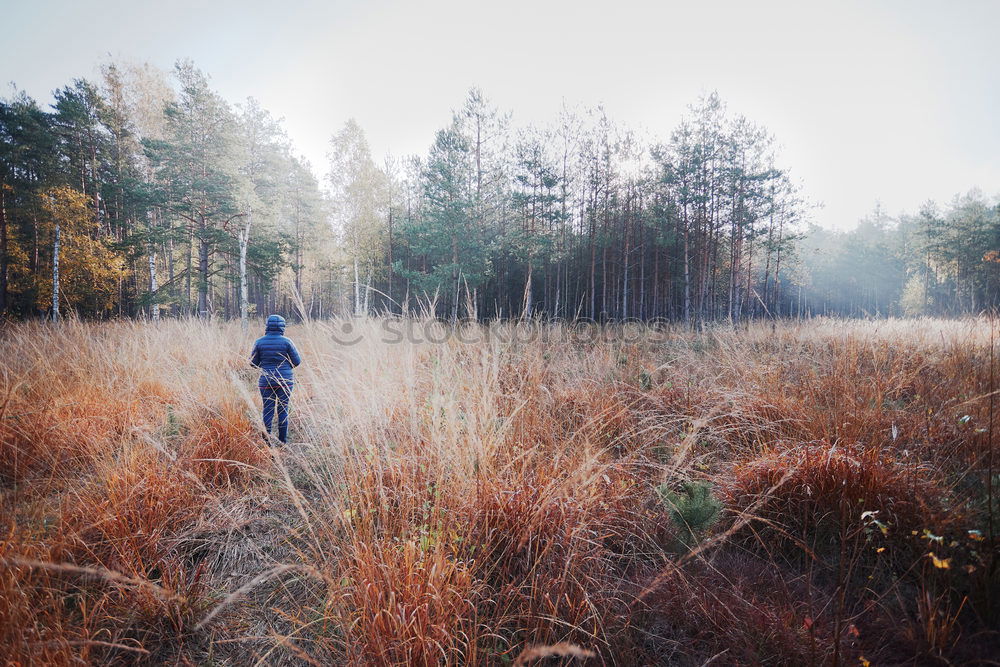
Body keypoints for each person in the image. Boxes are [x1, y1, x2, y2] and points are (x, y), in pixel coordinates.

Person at [249, 314, 302, 445]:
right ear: (283, 327)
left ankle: (267, 441)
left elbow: (252, 363)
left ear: (267, 326)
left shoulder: (259, 342)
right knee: (283, 409)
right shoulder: (287, 342)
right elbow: (297, 361)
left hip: (266, 381)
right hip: (285, 381)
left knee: (268, 409)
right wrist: (286, 369)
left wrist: (265, 365)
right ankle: (283, 441)